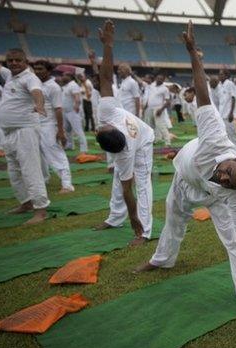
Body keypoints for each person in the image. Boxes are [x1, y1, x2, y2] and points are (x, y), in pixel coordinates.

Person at [134, 22, 236, 315]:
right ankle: (162, 259)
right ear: (235, 158)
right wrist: (194, 53)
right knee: (173, 220)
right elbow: (203, 93)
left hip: (211, 198)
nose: (224, 176)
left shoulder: (233, 194)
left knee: (231, 239)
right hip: (182, 181)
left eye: (230, 182)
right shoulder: (217, 137)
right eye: (228, 171)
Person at [92, 20, 155, 247]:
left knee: (142, 182)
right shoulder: (109, 113)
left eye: (100, 129)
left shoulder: (123, 150)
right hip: (133, 137)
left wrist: (135, 221)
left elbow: (130, 190)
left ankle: (145, 231)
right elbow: (106, 78)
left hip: (144, 139)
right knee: (118, 180)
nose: (99, 127)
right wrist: (108, 45)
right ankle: (114, 218)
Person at [0, 49, 50, 225]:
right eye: (11, 60)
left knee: (30, 170)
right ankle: (26, 203)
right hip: (8, 132)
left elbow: (37, 92)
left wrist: (39, 105)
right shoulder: (9, 75)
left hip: (26, 131)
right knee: (14, 171)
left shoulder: (29, 78)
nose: (14, 63)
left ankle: (40, 210)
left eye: (18, 60)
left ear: (26, 62)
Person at [32, 60, 74, 193]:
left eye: (41, 69)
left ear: (48, 71)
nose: (37, 71)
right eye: (36, 69)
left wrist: (60, 131)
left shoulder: (53, 87)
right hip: (34, 124)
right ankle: (44, 180)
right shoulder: (34, 84)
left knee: (56, 154)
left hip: (49, 125)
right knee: (37, 155)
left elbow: (58, 110)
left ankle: (67, 184)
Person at [60, 70, 88, 153]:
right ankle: (70, 145)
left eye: (64, 75)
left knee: (78, 130)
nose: (62, 77)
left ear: (70, 77)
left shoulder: (73, 85)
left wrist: (76, 106)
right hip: (65, 111)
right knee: (67, 130)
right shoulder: (67, 86)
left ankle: (84, 149)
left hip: (73, 111)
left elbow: (77, 97)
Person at [143, 73, 172, 146]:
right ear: (156, 78)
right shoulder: (152, 85)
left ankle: (167, 142)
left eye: (161, 79)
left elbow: (168, 101)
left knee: (160, 125)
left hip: (158, 109)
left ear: (163, 80)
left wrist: (161, 110)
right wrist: (145, 106)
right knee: (150, 126)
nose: (159, 80)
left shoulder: (164, 89)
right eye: (158, 78)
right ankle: (153, 140)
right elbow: (148, 95)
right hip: (149, 108)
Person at [217, 69, 236, 151]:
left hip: (228, 115)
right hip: (221, 115)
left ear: (226, 76)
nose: (219, 76)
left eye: (221, 74)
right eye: (219, 74)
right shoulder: (220, 85)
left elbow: (233, 98)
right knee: (224, 136)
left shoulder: (229, 83)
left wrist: (231, 113)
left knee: (233, 136)